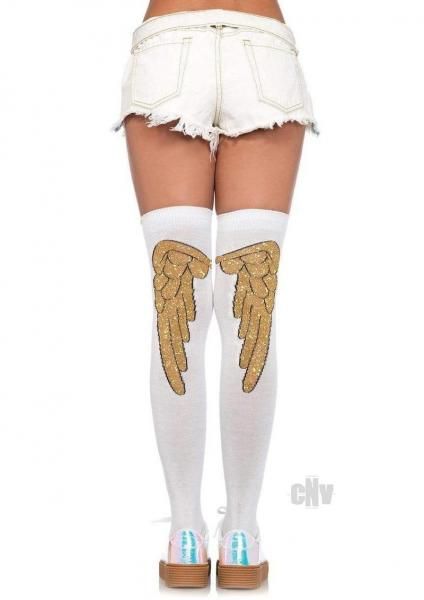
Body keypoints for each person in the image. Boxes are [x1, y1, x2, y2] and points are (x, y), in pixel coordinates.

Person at [112, 0, 318, 589]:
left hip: (169, 47)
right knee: (251, 300)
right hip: (262, 49)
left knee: (176, 301)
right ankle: (242, 536)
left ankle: (184, 531)